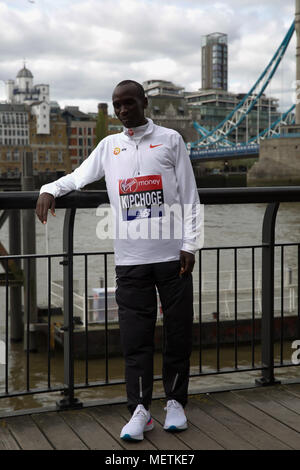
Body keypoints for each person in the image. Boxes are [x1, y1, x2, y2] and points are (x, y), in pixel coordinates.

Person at [36, 80, 203, 442]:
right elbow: (80, 177)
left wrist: (191, 244)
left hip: (173, 256)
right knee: (135, 338)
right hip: (131, 261)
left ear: (144, 102)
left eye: (129, 103)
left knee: (178, 333)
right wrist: (49, 189)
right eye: (117, 105)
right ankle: (140, 410)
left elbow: (190, 195)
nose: (123, 110)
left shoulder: (171, 140)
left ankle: (175, 402)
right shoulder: (108, 146)